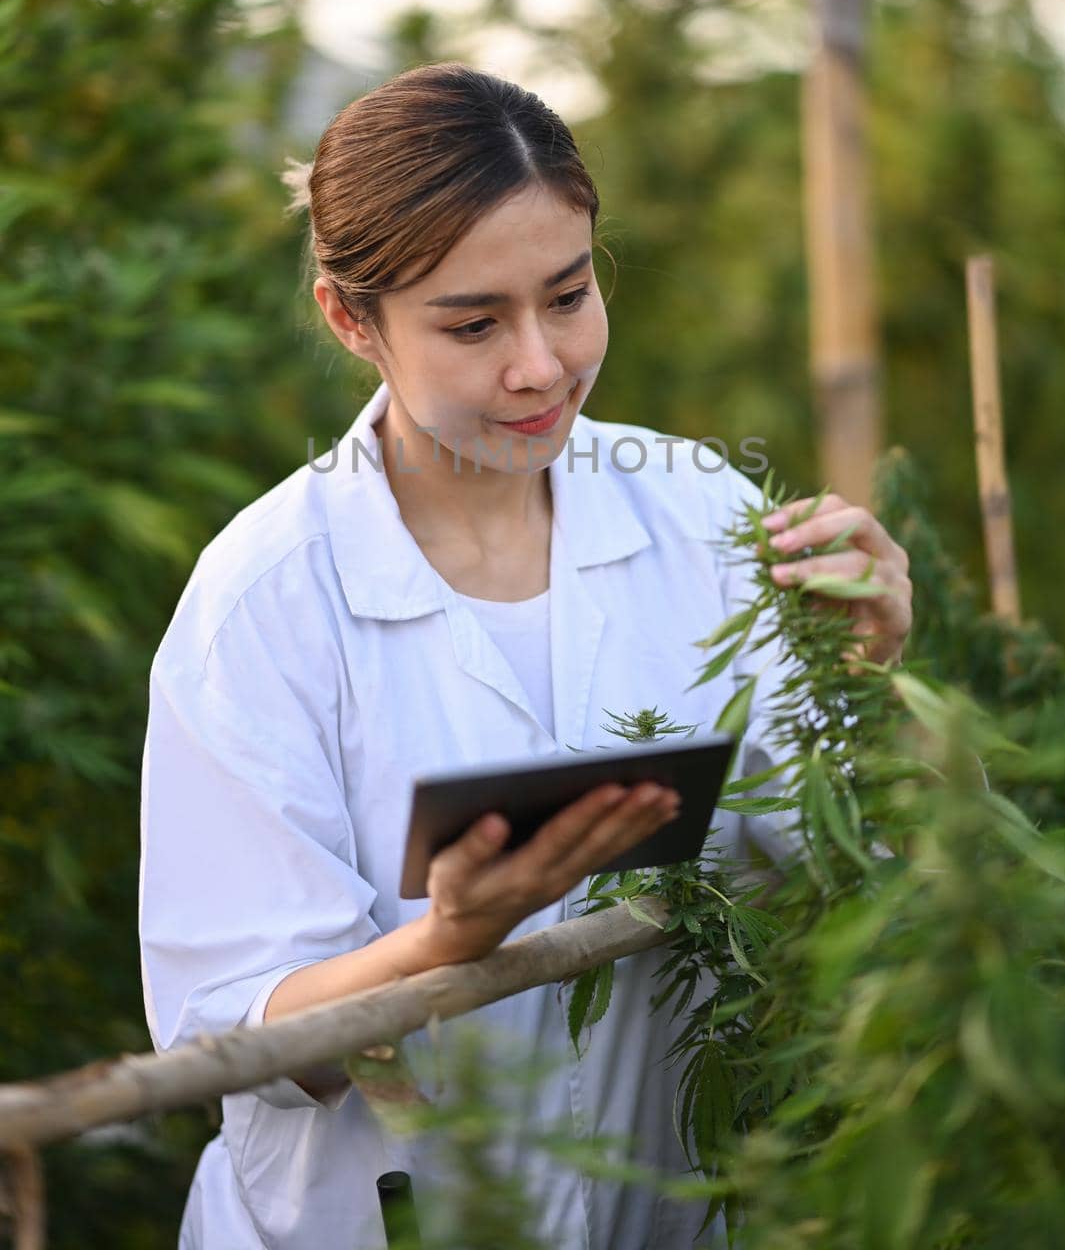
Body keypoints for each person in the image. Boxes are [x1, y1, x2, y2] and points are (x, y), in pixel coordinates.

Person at [138, 62, 912, 1250]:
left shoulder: (698, 514)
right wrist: (450, 940)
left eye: (566, 294)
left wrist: (867, 677)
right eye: (471, 323)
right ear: (352, 319)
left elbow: (833, 867)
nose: (540, 364)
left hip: (659, 1210)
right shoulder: (267, 603)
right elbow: (228, 1036)